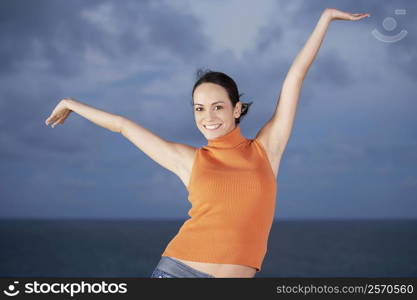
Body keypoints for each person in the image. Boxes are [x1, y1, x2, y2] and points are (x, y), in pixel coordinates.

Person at [45, 8, 370, 278]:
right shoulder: (189, 159)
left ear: (237, 109)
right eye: (199, 108)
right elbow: (122, 126)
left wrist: (325, 18)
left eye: (218, 106)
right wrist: (71, 103)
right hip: (177, 273)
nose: (208, 117)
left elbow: (295, 77)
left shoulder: (266, 149)